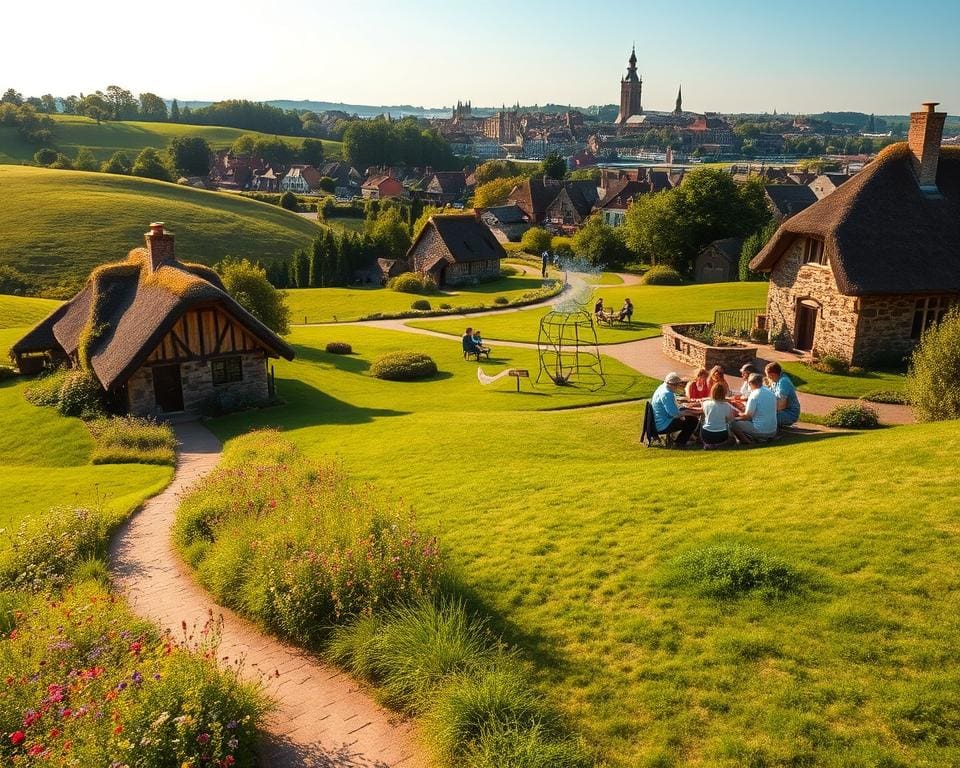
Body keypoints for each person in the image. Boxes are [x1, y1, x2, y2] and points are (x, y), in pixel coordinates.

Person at [650, 372, 700, 448]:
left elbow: (673, 409)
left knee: (688, 417)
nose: (677, 386)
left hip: (659, 421)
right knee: (693, 421)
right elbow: (674, 414)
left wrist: (685, 409)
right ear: (671, 384)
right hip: (663, 425)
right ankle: (680, 443)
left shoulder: (662, 387)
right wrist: (691, 413)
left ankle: (683, 439)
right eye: (676, 384)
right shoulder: (667, 394)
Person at [731, 373, 778, 444]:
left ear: (750, 383)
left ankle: (748, 442)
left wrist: (735, 417)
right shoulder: (769, 391)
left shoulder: (754, 395)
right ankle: (756, 438)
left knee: (733, 424)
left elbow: (747, 416)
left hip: (762, 431)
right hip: (773, 431)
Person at [765, 362, 800, 428]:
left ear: (772, 374)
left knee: (762, 416)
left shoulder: (783, 382)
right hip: (781, 411)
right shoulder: (775, 381)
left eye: (767, 375)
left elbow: (781, 405)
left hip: (789, 414)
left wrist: (765, 410)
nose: (767, 377)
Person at [701, 382, 735, 446]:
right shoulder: (727, 406)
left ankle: (708, 443)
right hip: (721, 434)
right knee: (732, 439)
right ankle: (718, 445)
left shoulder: (705, 403)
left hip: (706, 433)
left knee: (702, 420)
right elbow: (731, 419)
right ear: (724, 393)